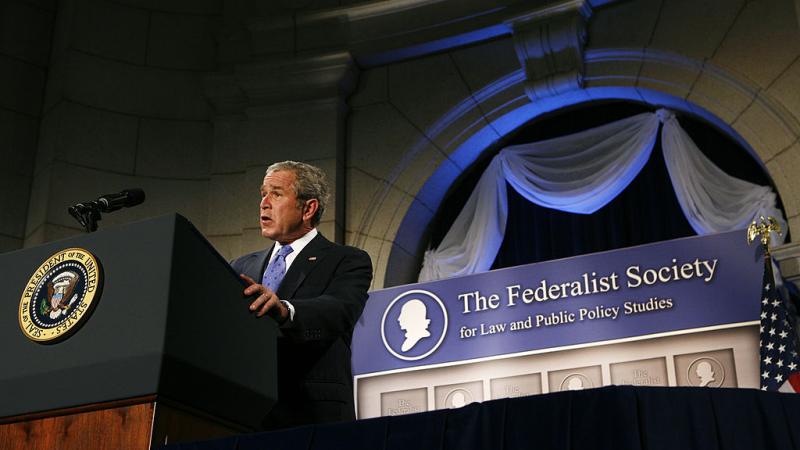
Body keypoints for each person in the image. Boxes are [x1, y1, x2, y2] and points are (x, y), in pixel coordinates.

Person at [230, 161, 373, 430]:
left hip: (311, 416)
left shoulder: (347, 260)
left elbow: (339, 310)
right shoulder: (241, 267)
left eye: (276, 194)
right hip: (247, 416)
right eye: (263, 194)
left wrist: (285, 310)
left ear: (308, 209)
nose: (264, 203)